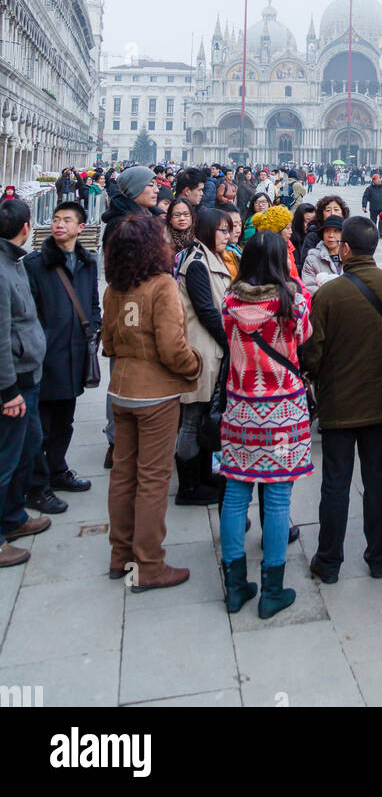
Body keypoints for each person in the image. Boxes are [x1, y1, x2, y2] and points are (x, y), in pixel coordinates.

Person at [300, 216, 382, 583]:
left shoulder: (328, 294)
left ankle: (329, 561)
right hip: (381, 400)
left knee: (335, 481)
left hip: (339, 403)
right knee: (377, 480)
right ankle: (378, 556)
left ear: (345, 249)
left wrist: (317, 377)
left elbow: (312, 353)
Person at [102, 212, 202, 592]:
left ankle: (120, 556)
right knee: (153, 478)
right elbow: (173, 348)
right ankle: (148, 565)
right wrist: (195, 365)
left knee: (123, 474)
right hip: (156, 394)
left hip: (121, 390)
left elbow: (108, 343)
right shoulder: (162, 285)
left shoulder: (114, 287)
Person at [219, 230, 313, 619]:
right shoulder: (293, 302)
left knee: (235, 494)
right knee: (277, 499)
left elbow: (228, 341)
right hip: (282, 413)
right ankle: (272, 590)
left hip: (241, 409)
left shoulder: (229, 301)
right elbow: (304, 337)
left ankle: (236, 587)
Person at [23, 202, 100, 512]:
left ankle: (57, 470)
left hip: (74, 353)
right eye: (56, 220)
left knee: (65, 421)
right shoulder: (36, 264)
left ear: (80, 227)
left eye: (67, 220)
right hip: (45, 355)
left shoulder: (87, 261)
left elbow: (93, 302)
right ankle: (36, 487)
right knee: (39, 426)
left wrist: (93, 326)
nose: (59, 225)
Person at [0, 199, 50, 568]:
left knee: (26, 447)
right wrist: (7, 390)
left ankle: (14, 517)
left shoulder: (14, 261)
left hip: (27, 372)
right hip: (12, 381)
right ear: (26, 227)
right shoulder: (2, 271)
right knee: (5, 459)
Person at [174, 207, 233, 506]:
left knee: (204, 416)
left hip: (210, 348)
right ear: (209, 230)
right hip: (201, 349)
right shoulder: (198, 263)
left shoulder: (210, 258)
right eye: (223, 230)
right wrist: (230, 340)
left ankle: (202, 475)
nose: (228, 235)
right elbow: (207, 311)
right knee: (192, 418)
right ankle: (188, 487)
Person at [101, 166, 161, 252]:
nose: (157, 190)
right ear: (134, 188)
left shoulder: (148, 217)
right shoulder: (121, 225)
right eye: (151, 185)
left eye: (156, 185)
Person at [298, 193, 351, 271]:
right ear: (322, 214)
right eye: (328, 210)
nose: (332, 213)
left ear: (343, 213)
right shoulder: (313, 236)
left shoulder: (350, 234)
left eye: (336, 210)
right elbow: (305, 265)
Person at [301, 213, 345, 288]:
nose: (331, 235)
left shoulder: (350, 256)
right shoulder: (312, 259)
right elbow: (308, 287)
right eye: (327, 231)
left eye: (336, 231)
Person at [362, 173, 382, 239]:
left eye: (379, 179)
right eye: (377, 179)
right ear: (373, 180)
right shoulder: (369, 189)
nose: (379, 180)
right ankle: (372, 234)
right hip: (373, 208)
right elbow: (365, 197)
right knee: (373, 222)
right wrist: (364, 206)